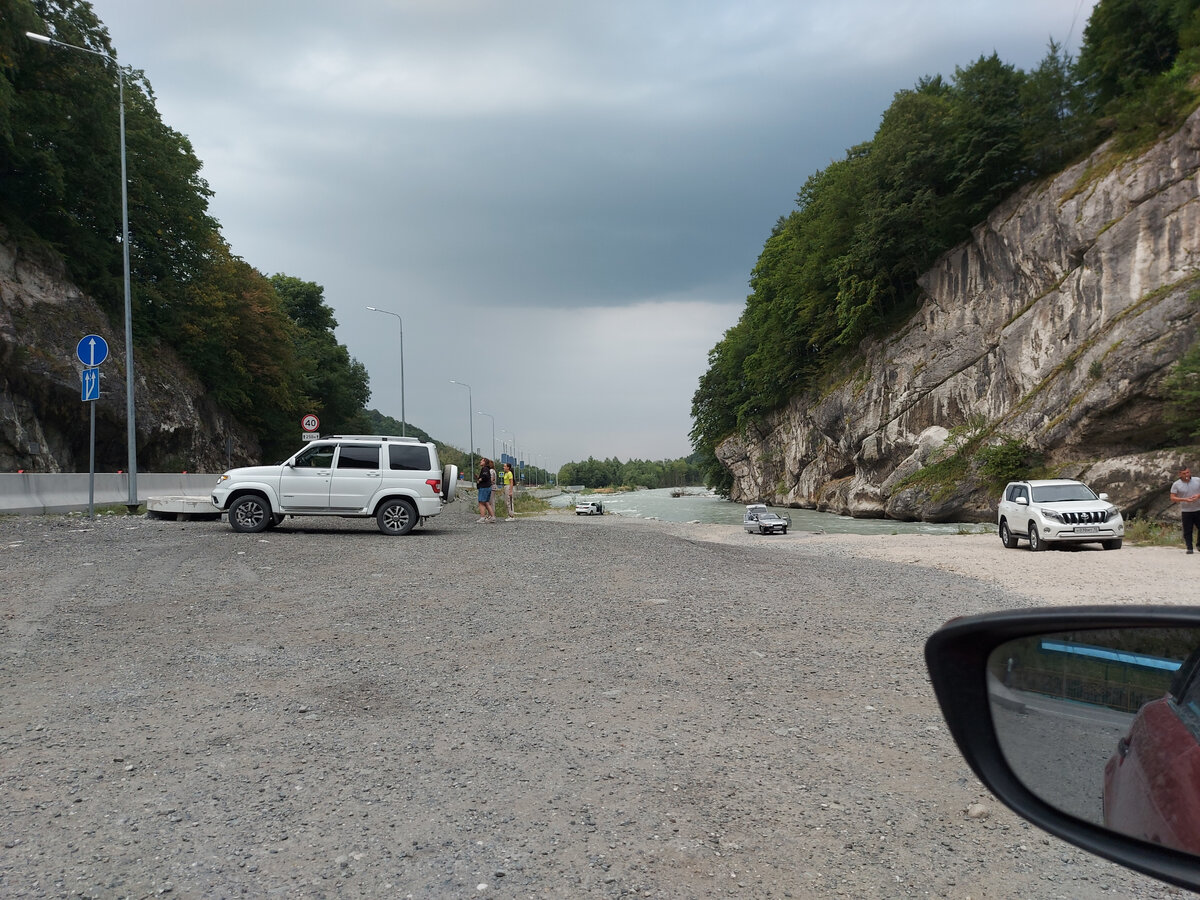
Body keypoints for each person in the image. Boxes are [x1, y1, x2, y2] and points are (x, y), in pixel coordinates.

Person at [1170, 465, 1200, 554]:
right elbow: (1172, 497)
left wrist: (1198, 496)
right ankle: (1189, 547)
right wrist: (1184, 499)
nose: (1187, 474)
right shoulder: (1176, 484)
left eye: (1188, 472)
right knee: (1188, 530)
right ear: (1180, 474)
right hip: (1186, 510)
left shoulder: (1197, 480)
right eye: (1184, 473)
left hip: (1198, 508)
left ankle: (1199, 544)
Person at [476, 458, 494, 523]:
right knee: (486, 503)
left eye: (482, 460)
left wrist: (480, 479)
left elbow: (485, 476)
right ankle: (492, 517)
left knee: (481, 502)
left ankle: (482, 517)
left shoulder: (485, 469)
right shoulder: (487, 469)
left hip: (484, 487)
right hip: (488, 487)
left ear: (485, 462)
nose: (480, 461)